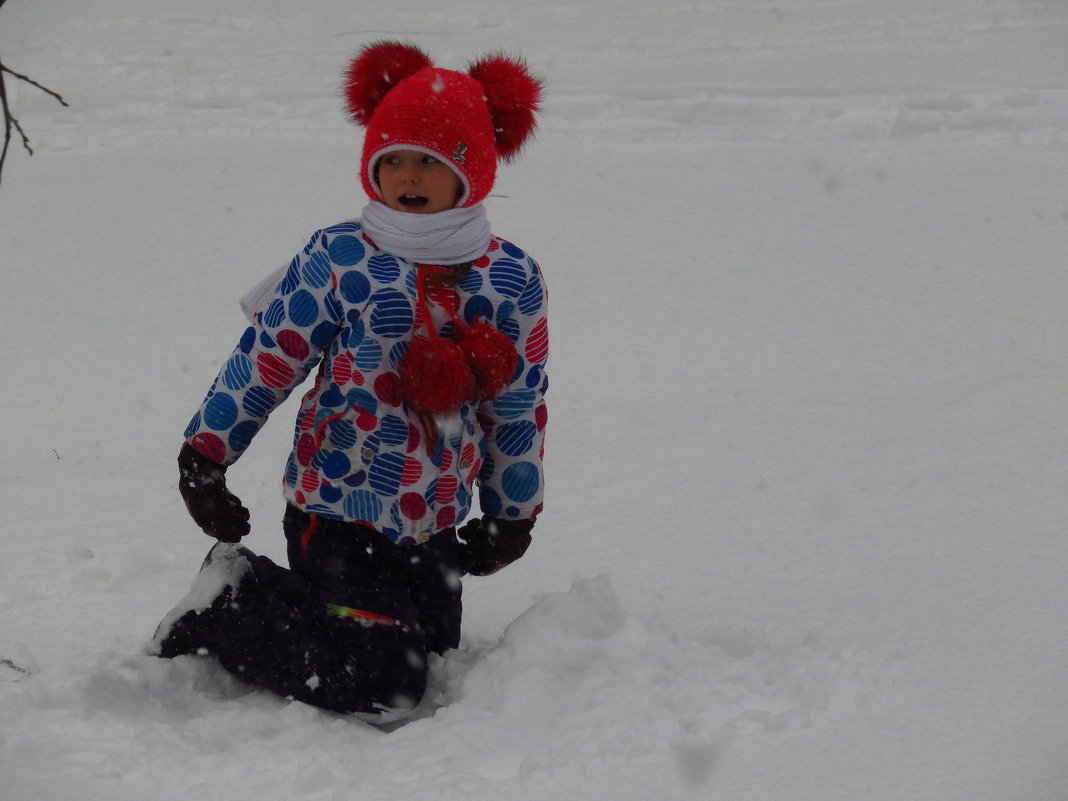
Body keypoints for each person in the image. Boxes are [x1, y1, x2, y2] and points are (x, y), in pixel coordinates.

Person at [151, 41, 548, 720]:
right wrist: (206, 455)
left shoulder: (510, 278)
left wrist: (512, 512)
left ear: (471, 171)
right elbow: (268, 357)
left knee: (433, 653)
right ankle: (230, 602)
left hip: (434, 524)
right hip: (336, 510)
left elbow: (517, 405)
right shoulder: (341, 259)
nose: (408, 176)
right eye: (391, 160)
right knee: (384, 681)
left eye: (431, 160)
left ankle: (284, 603)